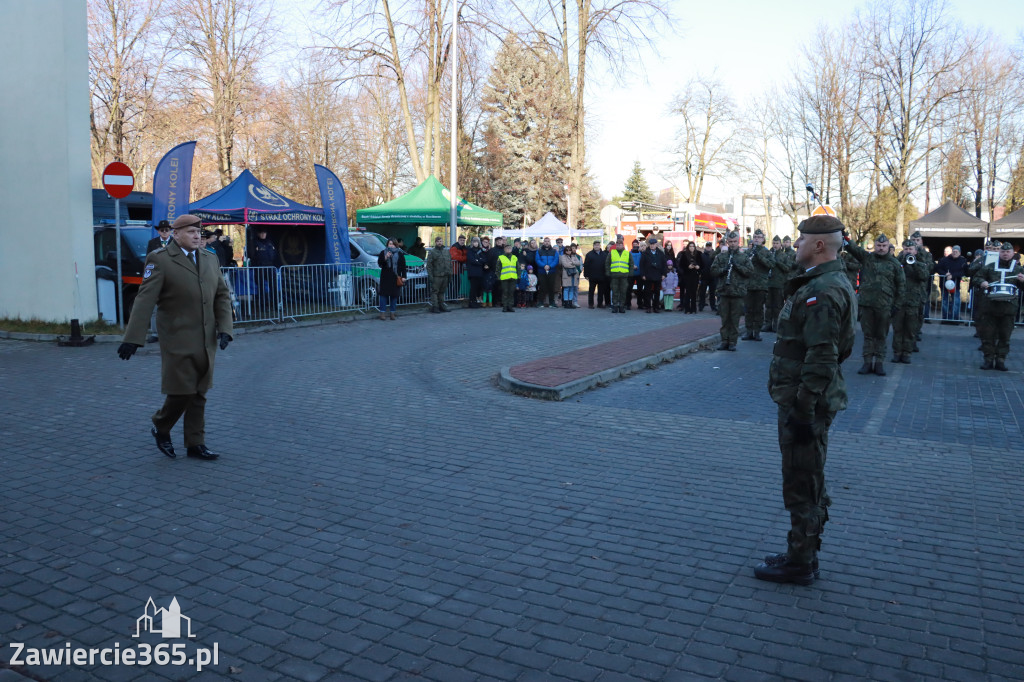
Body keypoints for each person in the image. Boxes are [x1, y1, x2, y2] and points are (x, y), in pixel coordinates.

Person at [754, 214, 856, 586]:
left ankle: (801, 562)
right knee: (804, 477)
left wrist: (802, 407)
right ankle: (800, 551)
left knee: (803, 482)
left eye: (800, 241)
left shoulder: (823, 290)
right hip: (804, 398)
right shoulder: (821, 282)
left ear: (818, 245)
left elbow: (823, 355)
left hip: (806, 403)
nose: (794, 246)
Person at [117, 214, 233, 461]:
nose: (196, 236)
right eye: (190, 232)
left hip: (206, 337)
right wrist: (133, 337)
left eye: (198, 233)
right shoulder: (160, 260)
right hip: (178, 336)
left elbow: (221, 295)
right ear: (176, 233)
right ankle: (161, 425)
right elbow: (145, 299)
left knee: (200, 391)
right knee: (182, 390)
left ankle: (195, 443)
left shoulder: (209, 259)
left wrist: (225, 328)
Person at [844, 234, 905, 376]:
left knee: (881, 335)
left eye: (884, 246)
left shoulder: (895, 264)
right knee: (868, 335)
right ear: (875, 246)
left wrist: (897, 305)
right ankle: (866, 363)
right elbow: (854, 249)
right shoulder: (867, 258)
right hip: (867, 304)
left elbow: (901, 286)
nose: (881, 248)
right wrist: (845, 237)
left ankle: (879, 363)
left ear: (889, 247)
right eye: (878, 245)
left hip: (885, 306)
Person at [973, 242, 1024, 371]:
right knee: (988, 336)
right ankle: (988, 360)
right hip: (990, 307)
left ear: (1013, 253)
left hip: (1008, 309)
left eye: (1008, 252)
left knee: (1005, 336)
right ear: (999, 253)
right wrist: (982, 282)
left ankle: (1001, 360)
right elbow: (976, 278)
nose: (1005, 254)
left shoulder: (1018, 269)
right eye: (1003, 252)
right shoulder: (990, 267)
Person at [711, 232, 753, 350]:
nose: (733, 244)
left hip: (738, 292)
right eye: (730, 242)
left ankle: (733, 342)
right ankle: (724, 340)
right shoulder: (721, 256)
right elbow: (713, 271)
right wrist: (724, 269)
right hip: (724, 291)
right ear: (727, 242)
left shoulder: (743, 257)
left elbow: (750, 272)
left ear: (738, 242)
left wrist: (737, 266)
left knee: (735, 320)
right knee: (725, 319)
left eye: (735, 242)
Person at [892, 240, 929, 363]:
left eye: (911, 249)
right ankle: (897, 352)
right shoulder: (897, 263)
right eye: (906, 249)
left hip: (913, 302)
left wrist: (913, 265)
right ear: (903, 250)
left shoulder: (921, 264)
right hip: (899, 301)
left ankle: (907, 353)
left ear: (916, 251)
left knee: (910, 329)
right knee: (898, 328)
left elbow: (924, 277)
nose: (908, 251)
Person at [743, 229, 775, 341]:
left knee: (758, 309)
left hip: (761, 285)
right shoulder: (748, 252)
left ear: (763, 239)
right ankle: (748, 331)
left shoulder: (767, 252)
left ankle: (757, 332)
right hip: (749, 285)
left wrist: (759, 256)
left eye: (759, 237)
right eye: (755, 236)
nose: (756, 238)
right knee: (748, 309)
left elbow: (771, 265)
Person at [765, 235, 792, 332]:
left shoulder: (784, 256)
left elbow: (788, 268)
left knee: (778, 306)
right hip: (768, 283)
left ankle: (776, 324)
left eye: (777, 243)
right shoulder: (769, 254)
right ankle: (768, 323)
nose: (775, 245)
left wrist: (777, 262)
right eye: (774, 243)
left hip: (779, 283)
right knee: (768, 305)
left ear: (780, 244)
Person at [249, 227, 278, 316]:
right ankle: (262, 306)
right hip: (260, 267)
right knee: (261, 288)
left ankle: (276, 305)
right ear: (258, 234)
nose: (263, 234)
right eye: (261, 233)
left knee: (273, 286)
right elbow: (251, 255)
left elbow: (274, 253)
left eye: (264, 233)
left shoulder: (269, 242)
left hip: (270, 267)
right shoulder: (255, 243)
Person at [377, 238, 407, 320]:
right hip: (385, 277)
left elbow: (403, 266)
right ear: (387, 244)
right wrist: (386, 257)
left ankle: (392, 313)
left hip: (395, 277)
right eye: (390, 244)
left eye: (393, 244)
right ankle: (382, 313)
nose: (391, 245)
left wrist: (404, 276)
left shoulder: (400, 254)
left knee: (394, 295)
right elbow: (380, 263)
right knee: (383, 295)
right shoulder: (383, 253)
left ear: (396, 245)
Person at [936, 245, 967, 321]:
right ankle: (945, 318)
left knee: (956, 302)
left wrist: (953, 276)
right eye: (953, 251)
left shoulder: (963, 261)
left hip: (955, 285)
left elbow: (964, 271)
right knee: (945, 301)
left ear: (959, 253)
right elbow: (938, 268)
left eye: (956, 252)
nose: (955, 253)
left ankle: (955, 318)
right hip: (944, 284)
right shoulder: (944, 260)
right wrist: (945, 274)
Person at [639, 237, 667, 312]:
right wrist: (643, 275)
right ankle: (648, 307)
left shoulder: (661, 253)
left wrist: (664, 274)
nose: (652, 246)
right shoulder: (645, 253)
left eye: (653, 244)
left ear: (656, 245)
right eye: (651, 244)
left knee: (657, 292)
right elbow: (642, 265)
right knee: (647, 292)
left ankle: (656, 307)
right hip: (648, 275)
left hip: (658, 275)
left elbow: (664, 265)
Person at [426, 236, 451, 314]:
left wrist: (450, 273)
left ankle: (442, 306)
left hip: (445, 275)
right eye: (438, 241)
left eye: (441, 241)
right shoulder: (432, 252)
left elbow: (449, 263)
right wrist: (431, 276)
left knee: (442, 292)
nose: (440, 243)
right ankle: (435, 307)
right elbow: (429, 265)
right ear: (435, 242)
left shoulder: (446, 251)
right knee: (435, 292)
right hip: (437, 275)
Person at [606, 237, 631, 313]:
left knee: (623, 292)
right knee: (615, 291)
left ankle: (622, 306)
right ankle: (615, 306)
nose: (618, 246)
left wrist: (630, 273)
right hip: (614, 276)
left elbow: (631, 264)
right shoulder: (612, 253)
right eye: (617, 245)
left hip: (624, 276)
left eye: (620, 245)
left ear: (622, 245)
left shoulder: (627, 253)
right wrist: (608, 272)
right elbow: (607, 263)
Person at [535, 237, 559, 307]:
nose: (547, 242)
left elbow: (556, 260)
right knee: (542, 287)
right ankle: (540, 302)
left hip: (552, 271)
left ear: (550, 242)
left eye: (548, 241)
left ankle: (552, 302)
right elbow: (537, 260)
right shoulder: (539, 251)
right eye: (545, 241)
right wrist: (544, 266)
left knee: (551, 287)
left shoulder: (554, 251)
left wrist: (550, 266)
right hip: (542, 271)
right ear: (543, 242)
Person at [583, 240, 608, 309]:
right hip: (592, 276)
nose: (597, 246)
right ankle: (591, 304)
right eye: (595, 245)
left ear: (600, 246)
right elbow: (586, 265)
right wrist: (586, 275)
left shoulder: (604, 254)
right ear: (593, 246)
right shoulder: (589, 254)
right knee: (591, 291)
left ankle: (600, 304)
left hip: (602, 276)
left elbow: (606, 265)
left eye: (598, 245)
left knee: (601, 291)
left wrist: (606, 274)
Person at [678, 241, 701, 313]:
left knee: (694, 292)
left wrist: (698, 267)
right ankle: (687, 308)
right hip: (687, 276)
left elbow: (702, 265)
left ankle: (693, 309)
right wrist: (688, 267)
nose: (692, 248)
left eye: (693, 246)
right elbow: (681, 265)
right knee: (687, 292)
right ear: (688, 247)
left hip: (695, 275)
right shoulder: (684, 254)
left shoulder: (699, 254)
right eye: (690, 246)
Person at [559, 244, 583, 308]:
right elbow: (565, 265)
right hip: (567, 274)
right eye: (567, 250)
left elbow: (578, 263)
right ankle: (566, 303)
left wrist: (571, 262)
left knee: (572, 288)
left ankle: (570, 302)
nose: (568, 251)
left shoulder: (574, 256)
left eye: (570, 250)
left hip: (574, 275)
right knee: (566, 289)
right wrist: (573, 264)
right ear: (565, 251)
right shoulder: (563, 257)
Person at [497, 242, 519, 312]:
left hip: (513, 277)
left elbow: (518, 268)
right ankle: (505, 306)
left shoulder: (514, 257)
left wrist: (518, 276)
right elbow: (498, 268)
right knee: (505, 292)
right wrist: (498, 277)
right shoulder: (501, 257)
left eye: (510, 248)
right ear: (504, 249)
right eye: (507, 248)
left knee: (511, 292)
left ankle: (510, 306)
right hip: (504, 278)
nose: (508, 249)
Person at [697, 241, 717, 312]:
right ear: (705, 247)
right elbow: (699, 265)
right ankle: (701, 306)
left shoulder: (715, 255)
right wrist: (701, 272)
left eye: (709, 246)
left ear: (711, 247)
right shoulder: (702, 255)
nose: (708, 247)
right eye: (707, 246)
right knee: (702, 293)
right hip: (704, 276)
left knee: (712, 293)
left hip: (712, 277)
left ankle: (713, 306)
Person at [466, 236, 486, 308]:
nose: (475, 243)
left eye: (477, 242)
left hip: (479, 272)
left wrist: (478, 260)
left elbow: (483, 259)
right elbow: (472, 260)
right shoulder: (470, 250)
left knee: (478, 288)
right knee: (473, 288)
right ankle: (472, 302)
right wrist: (478, 261)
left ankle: (476, 301)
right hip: (473, 272)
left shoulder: (481, 250)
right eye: (474, 242)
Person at [449, 234, 468, 303]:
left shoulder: (463, 248)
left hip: (457, 268)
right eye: (461, 240)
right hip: (453, 269)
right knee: (454, 284)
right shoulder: (455, 247)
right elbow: (455, 257)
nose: (462, 242)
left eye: (463, 240)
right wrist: (464, 258)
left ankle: (453, 297)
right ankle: (452, 298)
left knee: (457, 283)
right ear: (458, 240)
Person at [479, 235, 494, 307]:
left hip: (490, 270)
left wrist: (488, 265)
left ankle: (490, 302)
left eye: (487, 242)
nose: (486, 243)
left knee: (489, 288)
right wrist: (484, 264)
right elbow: (479, 259)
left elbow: (492, 260)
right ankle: (484, 302)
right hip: (482, 270)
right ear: (482, 242)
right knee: (483, 287)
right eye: (484, 242)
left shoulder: (491, 251)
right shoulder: (480, 250)